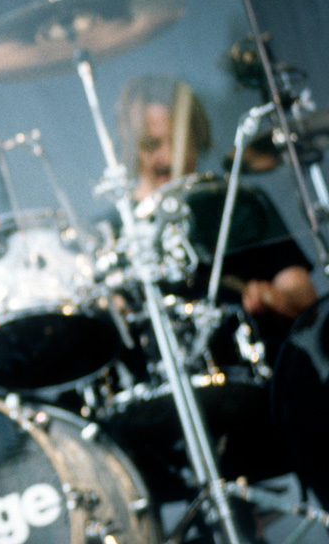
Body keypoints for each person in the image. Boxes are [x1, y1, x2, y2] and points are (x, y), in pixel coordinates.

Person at [112, 75, 326, 530]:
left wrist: (268, 295)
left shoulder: (238, 204)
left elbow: (303, 297)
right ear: (131, 149)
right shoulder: (115, 234)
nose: (165, 156)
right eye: (151, 144)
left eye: (177, 141)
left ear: (198, 141)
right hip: (166, 424)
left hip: (260, 400)